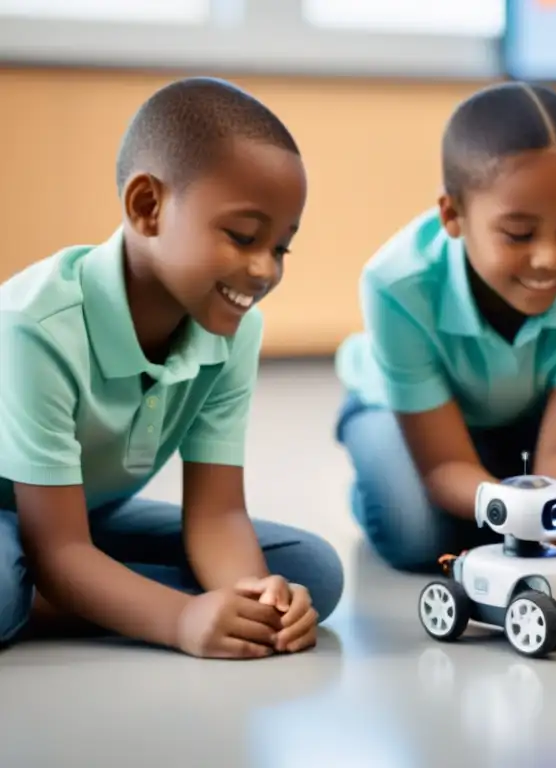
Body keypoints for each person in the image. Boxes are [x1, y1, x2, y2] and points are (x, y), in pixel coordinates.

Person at [0, 77, 344, 655]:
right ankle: (62, 595)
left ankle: (74, 596)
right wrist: (179, 620)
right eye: (242, 236)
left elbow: (217, 515)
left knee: (309, 571)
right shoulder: (35, 327)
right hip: (30, 521)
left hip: (80, 512)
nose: (264, 271)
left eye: (281, 247)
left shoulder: (232, 330)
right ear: (147, 207)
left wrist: (253, 598)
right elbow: (58, 549)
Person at [336, 82, 556, 572]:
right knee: (417, 535)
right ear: (452, 215)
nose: (551, 258)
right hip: (406, 416)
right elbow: (443, 465)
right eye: (519, 234)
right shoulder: (395, 283)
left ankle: (497, 485)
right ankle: (378, 484)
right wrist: (532, 514)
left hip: (523, 420)